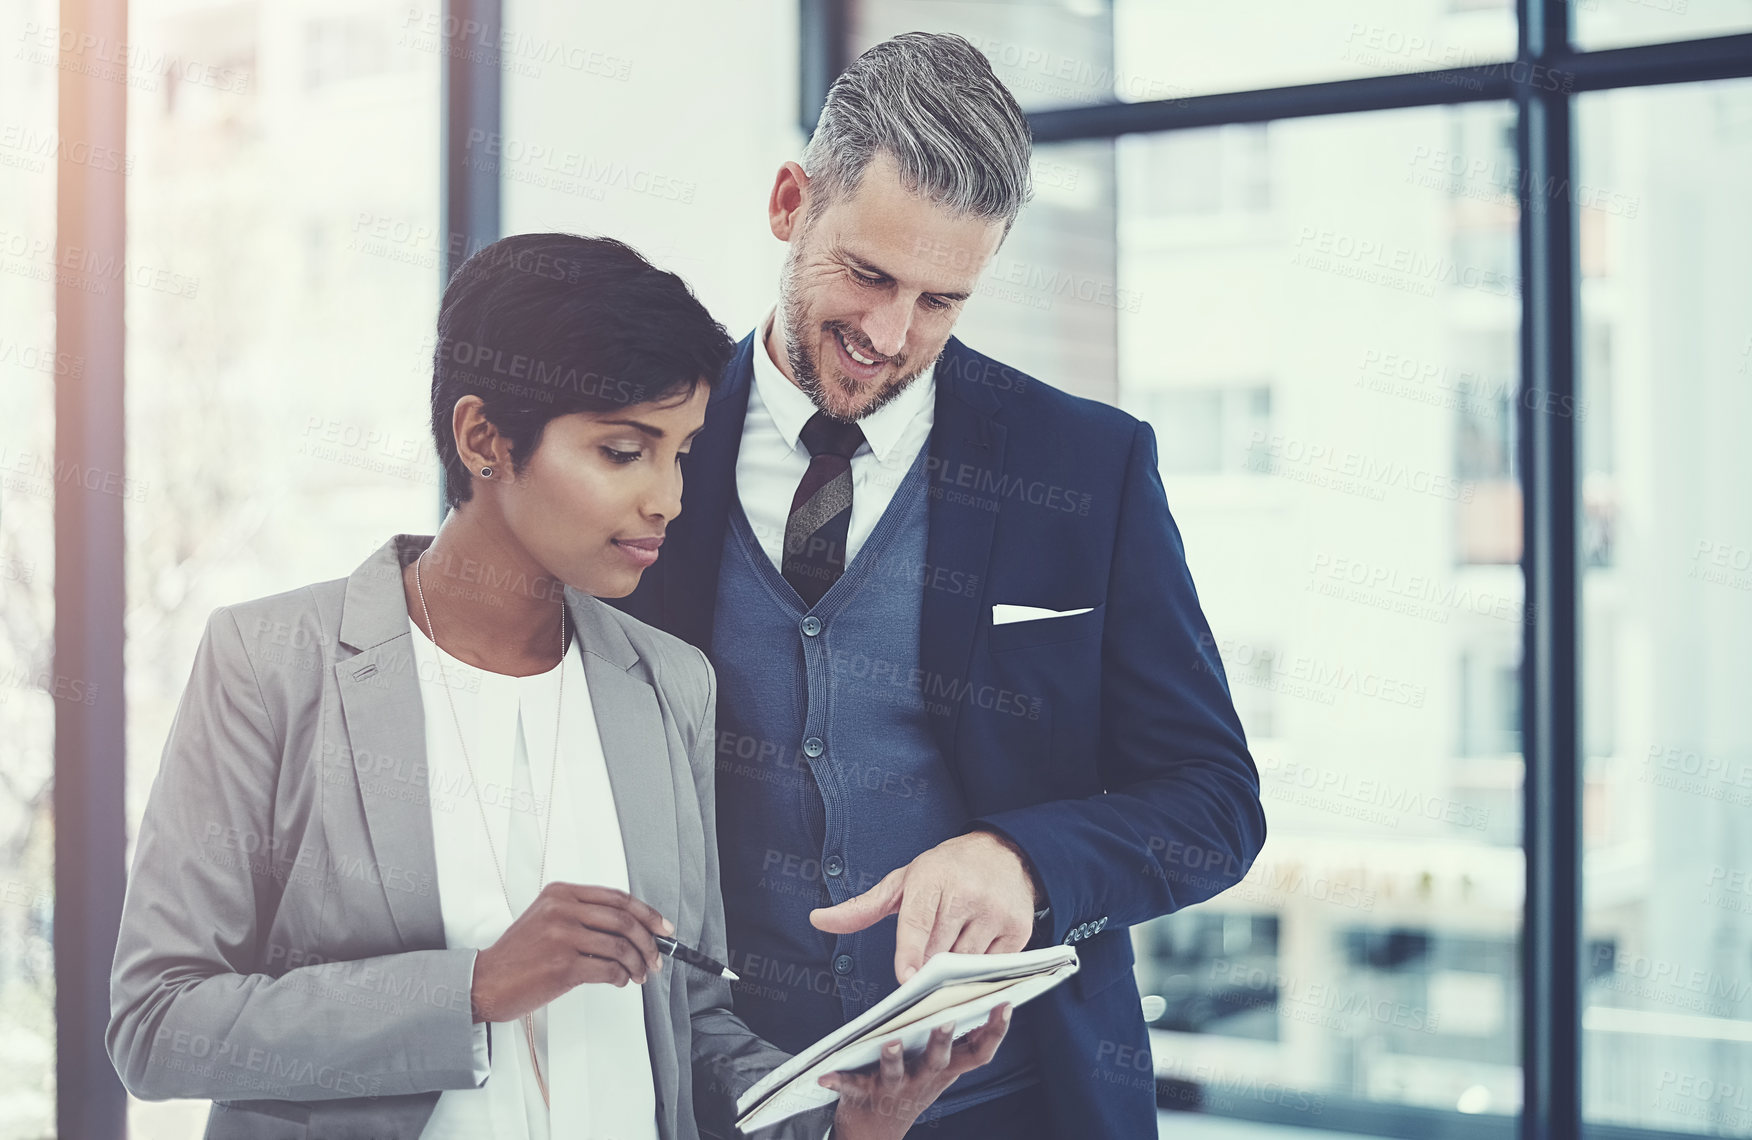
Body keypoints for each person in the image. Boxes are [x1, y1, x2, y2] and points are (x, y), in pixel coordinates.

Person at [107, 232, 1008, 1140]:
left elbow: (690, 1024)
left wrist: (849, 1115)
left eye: (682, 452)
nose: (669, 498)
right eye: (624, 452)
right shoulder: (270, 665)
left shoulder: (669, 686)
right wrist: (475, 987)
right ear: (484, 439)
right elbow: (157, 1023)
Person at [607, 32, 1268, 1140]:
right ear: (788, 203)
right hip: (720, 1100)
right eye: (867, 274)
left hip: (1019, 1108)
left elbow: (1215, 802)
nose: (887, 335)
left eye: (940, 301)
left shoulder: (1085, 467)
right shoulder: (648, 445)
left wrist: (1025, 860)